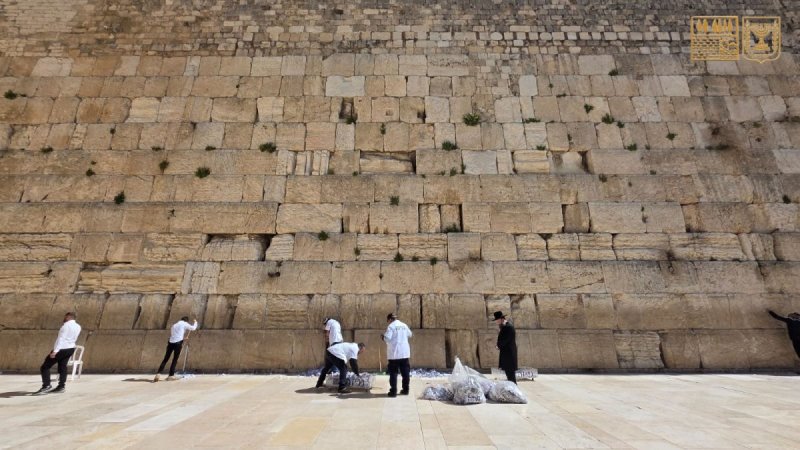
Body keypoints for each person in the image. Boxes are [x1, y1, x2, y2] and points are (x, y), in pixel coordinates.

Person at [35, 312, 81, 394]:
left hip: (62, 349)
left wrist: (55, 351)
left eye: (65, 317)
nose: (64, 319)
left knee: (45, 367)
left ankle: (46, 385)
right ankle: (61, 386)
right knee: (63, 367)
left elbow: (61, 339)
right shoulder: (78, 326)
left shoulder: (65, 326)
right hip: (71, 348)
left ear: (68, 317)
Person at [154, 316, 198, 382]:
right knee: (175, 359)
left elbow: (174, 335)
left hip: (170, 343)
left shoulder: (174, 325)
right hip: (178, 344)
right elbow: (193, 328)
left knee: (166, 359)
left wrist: (183, 338)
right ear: (186, 321)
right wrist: (195, 322)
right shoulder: (184, 324)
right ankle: (171, 375)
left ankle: (158, 374)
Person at [383, 313, 412, 397]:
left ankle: (393, 391)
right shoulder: (404, 325)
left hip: (394, 354)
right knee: (405, 372)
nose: (388, 322)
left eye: (388, 321)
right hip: (404, 353)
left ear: (390, 319)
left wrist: (383, 337)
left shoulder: (391, 326)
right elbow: (410, 334)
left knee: (393, 373)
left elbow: (387, 338)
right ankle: (406, 390)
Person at [494, 311, 518, 384]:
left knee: (511, 378)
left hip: (509, 356)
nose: (496, 322)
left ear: (501, 319)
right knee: (509, 376)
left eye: (497, 320)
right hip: (507, 355)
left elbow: (505, 340)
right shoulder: (506, 327)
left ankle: (515, 392)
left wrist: (498, 346)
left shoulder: (508, 327)